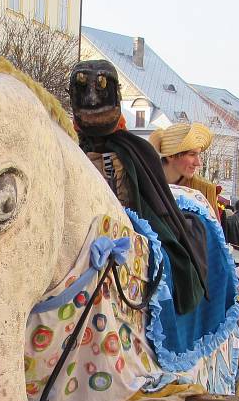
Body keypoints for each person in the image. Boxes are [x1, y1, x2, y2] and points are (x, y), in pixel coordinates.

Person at [70, 60, 208, 316]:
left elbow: (152, 206)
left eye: (100, 88)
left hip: (126, 233)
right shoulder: (71, 149)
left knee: (169, 257)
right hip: (83, 237)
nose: (91, 98)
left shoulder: (137, 151)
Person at [148, 122, 219, 216]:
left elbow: (214, 229)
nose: (198, 163)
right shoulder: (145, 183)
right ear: (171, 156)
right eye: (192, 155)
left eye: (198, 155)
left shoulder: (204, 189)